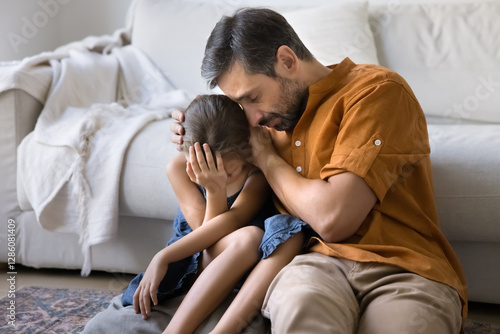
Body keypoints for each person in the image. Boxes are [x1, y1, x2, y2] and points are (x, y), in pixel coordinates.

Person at [84, 7, 467, 334]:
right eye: (238, 103)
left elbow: (335, 218)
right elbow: (213, 157)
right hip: (312, 264)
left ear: (287, 60)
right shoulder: (261, 121)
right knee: (300, 310)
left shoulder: (374, 92)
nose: (250, 117)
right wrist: (192, 129)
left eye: (252, 97)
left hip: (404, 269)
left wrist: (268, 158)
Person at [119, 94, 307, 334]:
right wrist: (214, 190)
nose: (220, 177)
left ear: (246, 151)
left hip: (244, 257)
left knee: (286, 232)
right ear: (187, 156)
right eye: (201, 169)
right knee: (248, 237)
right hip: (197, 257)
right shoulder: (177, 169)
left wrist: (163, 256)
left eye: (229, 172)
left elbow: (230, 222)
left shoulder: (255, 176)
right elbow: (205, 240)